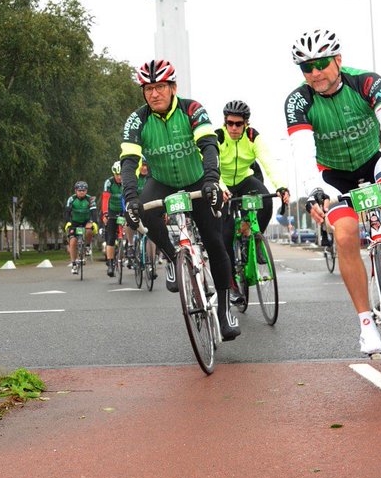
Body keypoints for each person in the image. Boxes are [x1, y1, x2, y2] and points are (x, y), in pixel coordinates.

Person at [284, 28, 381, 356]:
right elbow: (303, 150)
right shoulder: (299, 101)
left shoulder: (366, 82)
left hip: (374, 159)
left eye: (321, 63)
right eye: (307, 68)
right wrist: (314, 191)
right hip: (333, 175)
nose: (315, 73)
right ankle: (366, 324)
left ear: (338, 59)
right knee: (346, 236)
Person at [118, 59, 239, 341]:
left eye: (160, 87)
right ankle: (173, 258)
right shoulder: (138, 119)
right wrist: (131, 197)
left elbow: (208, 145)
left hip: (197, 178)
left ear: (173, 87)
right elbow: (129, 160)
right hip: (161, 181)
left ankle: (223, 310)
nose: (154, 94)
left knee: (214, 241)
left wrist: (211, 180)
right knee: (143, 213)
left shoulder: (191, 109)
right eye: (148, 89)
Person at [215, 99, 290, 305]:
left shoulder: (252, 136)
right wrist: (221, 188)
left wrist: (281, 186)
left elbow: (267, 161)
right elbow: (212, 166)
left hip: (245, 179)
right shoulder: (218, 137)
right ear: (225, 122)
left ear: (246, 123)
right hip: (223, 183)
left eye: (238, 124)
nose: (233, 128)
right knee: (226, 234)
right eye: (230, 123)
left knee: (266, 201)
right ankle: (231, 286)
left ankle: (255, 239)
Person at [63, 180, 98, 272]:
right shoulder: (71, 199)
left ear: (86, 191)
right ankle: (74, 263)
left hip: (86, 221)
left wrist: (94, 222)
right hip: (75, 222)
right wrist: (68, 222)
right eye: (79, 190)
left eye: (83, 190)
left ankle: (87, 246)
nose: (81, 192)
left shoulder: (90, 199)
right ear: (75, 191)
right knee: (73, 242)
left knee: (89, 229)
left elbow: (94, 212)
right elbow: (67, 212)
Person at [99, 161, 125, 277]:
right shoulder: (109, 182)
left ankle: (130, 251)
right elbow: (105, 199)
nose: (119, 177)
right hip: (112, 211)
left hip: (123, 210)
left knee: (129, 230)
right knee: (110, 237)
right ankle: (110, 263)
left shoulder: (127, 181)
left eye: (121, 174)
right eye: (117, 175)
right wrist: (105, 214)